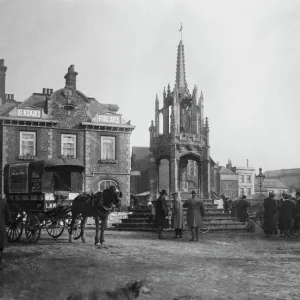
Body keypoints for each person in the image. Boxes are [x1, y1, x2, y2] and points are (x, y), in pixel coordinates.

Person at [0, 198, 11, 270]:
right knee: (0, 246)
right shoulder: (3, 202)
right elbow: (8, 215)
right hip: (1, 227)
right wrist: (6, 222)